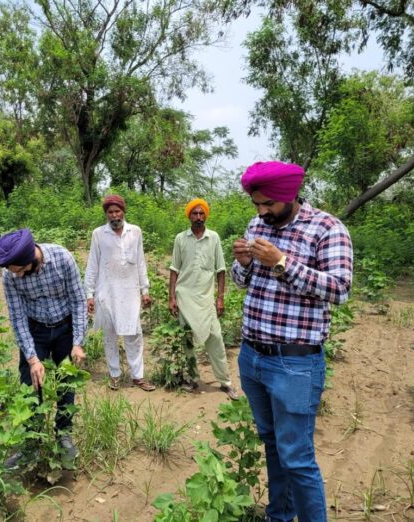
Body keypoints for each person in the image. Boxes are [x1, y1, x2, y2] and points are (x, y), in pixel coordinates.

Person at [231, 161, 353, 522]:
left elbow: (340, 289)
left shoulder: (327, 228)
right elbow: (243, 282)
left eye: (268, 204)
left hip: (295, 364)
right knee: (272, 445)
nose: (261, 212)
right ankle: (279, 516)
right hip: (253, 357)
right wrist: (243, 263)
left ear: (289, 196)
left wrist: (282, 262)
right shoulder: (257, 225)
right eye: (256, 204)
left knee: (297, 456)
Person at [0, 228, 87, 469]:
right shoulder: (10, 276)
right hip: (35, 329)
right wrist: (33, 359)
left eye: (22, 271)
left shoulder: (62, 259)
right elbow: (17, 317)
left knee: (67, 382)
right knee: (30, 382)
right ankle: (31, 442)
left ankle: (63, 434)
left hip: (65, 327)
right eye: (15, 273)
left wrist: (78, 343)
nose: (19, 277)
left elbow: (78, 299)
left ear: (31, 259)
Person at [169, 198, 240, 400]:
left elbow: (221, 270)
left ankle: (225, 382)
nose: (198, 217)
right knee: (187, 340)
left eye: (201, 214)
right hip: (184, 297)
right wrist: (171, 297)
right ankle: (192, 379)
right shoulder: (180, 239)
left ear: (206, 215)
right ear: (189, 216)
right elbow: (174, 270)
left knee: (215, 338)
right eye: (195, 214)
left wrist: (220, 298)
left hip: (206, 298)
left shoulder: (214, 238)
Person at [84, 195, 155, 391]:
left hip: (130, 291)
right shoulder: (99, 234)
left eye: (117, 211)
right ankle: (114, 374)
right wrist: (89, 294)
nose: (114, 215)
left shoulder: (135, 232)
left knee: (134, 334)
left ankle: (137, 376)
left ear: (123, 211)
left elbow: (140, 261)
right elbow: (92, 264)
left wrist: (145, 289)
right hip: (107, 291)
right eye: (110, 212)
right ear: (106, 214)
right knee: (110, 334)